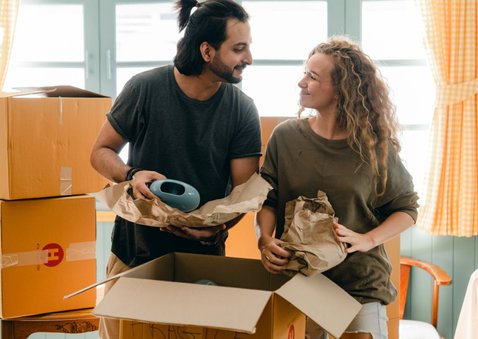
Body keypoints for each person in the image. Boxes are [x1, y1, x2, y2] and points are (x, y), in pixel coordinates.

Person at [90, 0, 261, 338]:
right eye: (239, 49)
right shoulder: (145, 89)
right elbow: (100, 151)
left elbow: (244, 192)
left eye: (249, 48)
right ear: (207, 51)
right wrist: (130, 174)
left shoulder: (242, 110)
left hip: (202, 262)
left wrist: (218, 226)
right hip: (134, 255)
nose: (249, 59)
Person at [255, 36, 419, 339]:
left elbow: (407, 208)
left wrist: (368, 239)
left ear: (341, 90)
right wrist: (264, 240)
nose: (301, 82)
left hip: (359, 288)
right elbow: (268, 199)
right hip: (299, 286)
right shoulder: (285, 137)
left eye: (312, 77)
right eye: (305, 72)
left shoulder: (374, 148)